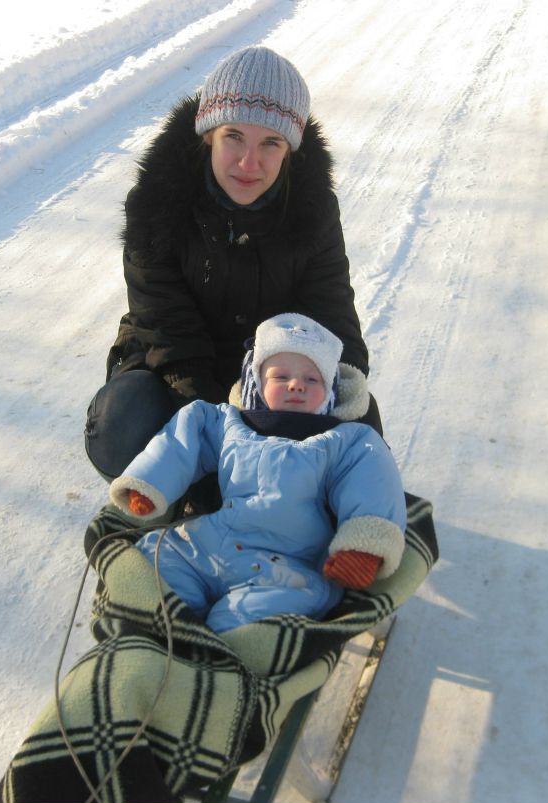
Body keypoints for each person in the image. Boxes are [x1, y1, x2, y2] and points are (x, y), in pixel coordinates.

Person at [85, 45, 382, 501]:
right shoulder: (156, 204)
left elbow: (331, 311)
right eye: (234, 137)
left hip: (276, 364)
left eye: (270, 143)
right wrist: (221, 444)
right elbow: (166, 326)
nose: (249, 163)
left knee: (359, 418)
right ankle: (157, 508)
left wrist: (342, 390)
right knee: (122, 423)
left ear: (290, 150)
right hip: (177, 369)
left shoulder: (313, 210)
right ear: (209, 135)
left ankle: (328, 518)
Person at [106, 313, 406, 633]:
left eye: (312, 379)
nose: (296, 384)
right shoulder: (229, 423)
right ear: (256, 382)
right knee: (156, 556)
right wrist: (150, 481)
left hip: (287, 565)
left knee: (257, 614)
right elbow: (183, 440)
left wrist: (363, 545)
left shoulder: (345, 441)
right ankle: (164, 627)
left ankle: (224, 651)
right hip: (214, 543)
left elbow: (374, 484)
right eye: (281, 377)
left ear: (331, 390)